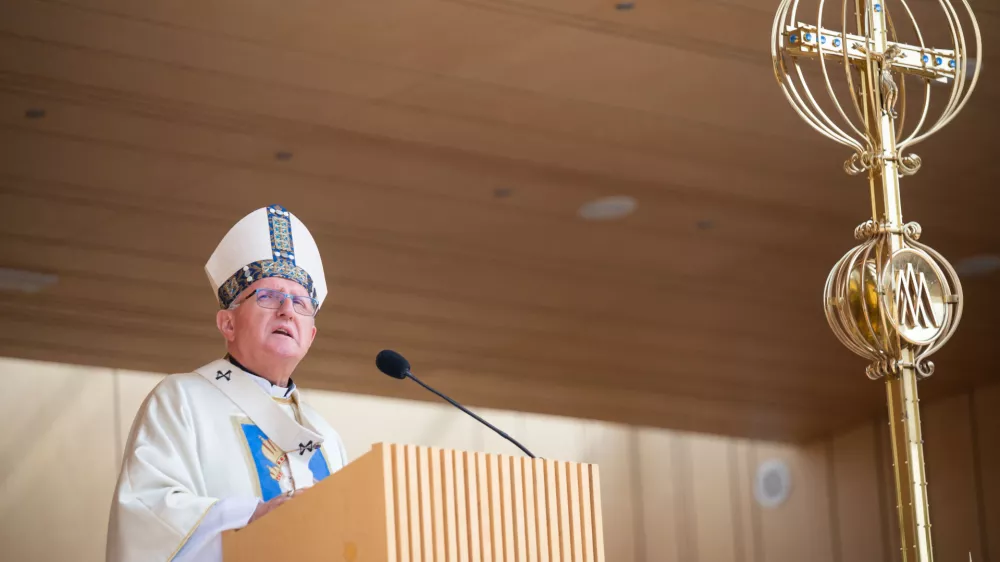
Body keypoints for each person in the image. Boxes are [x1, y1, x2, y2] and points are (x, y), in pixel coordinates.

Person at [106, 204, 348, 562]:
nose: (286, 311)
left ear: (310, 335)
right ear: (227, 324)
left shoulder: (326, 437)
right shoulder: (181, 400)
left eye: (299, 303)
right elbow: (146, 511)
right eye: (268, 297)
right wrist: (249, 517)